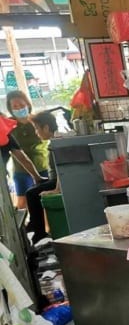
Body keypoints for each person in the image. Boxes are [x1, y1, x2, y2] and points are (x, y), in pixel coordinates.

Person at [6, 90, 49, 208]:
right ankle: (25, 225)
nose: (19, 108)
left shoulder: (38, 121)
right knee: (22, 203)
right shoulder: (9, 125)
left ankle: (48, 225)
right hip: (21, 171)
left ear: (28, 104)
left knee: (45, 200)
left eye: (21, 105)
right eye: (15, 106)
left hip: (43, 167)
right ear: (10, 108)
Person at [25, 111, 59, 245]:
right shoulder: (54, 141)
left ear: (46, 127)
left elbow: (63, 172)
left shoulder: (57, 143)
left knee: (31, 193)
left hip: (58, 182)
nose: (36, 132)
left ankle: (39, 232)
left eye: (37, 128)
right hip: (54, 180)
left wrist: (55, 190)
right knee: (34, 188)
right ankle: (34, 226)